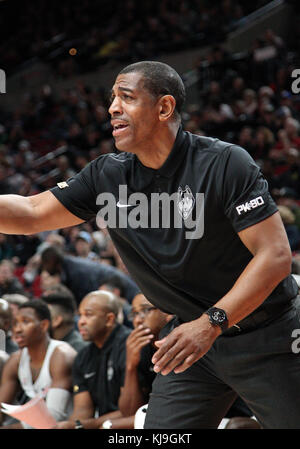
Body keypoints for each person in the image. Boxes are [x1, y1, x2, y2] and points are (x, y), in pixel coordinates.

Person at [0, 61, 299, 429]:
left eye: (126, 97)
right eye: (112, 98)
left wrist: (211, 323)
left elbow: (275, 256)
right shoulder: (107, 175)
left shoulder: (224, 163)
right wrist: (201, 327)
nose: (112, 107)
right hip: (190, 344)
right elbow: (30, 212)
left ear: (163, 108)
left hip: (268, 335)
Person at [54, 290, 131, 429]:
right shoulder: (83, 357)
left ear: (109, 319)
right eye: (80, 315)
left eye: (88, 315)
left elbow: (133, 409)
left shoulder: (130, 346)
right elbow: (83, 410)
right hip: (101, 423)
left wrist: (82, 425)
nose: (81, 322)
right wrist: (69, 425)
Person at [0, 300, 76, 428]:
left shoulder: (61, 355)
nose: (17, 329)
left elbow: (53, 416)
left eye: (25, 322)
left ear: (44, 325)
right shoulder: (15, 360)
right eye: (15, 323)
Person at [40, 245, 139, 306]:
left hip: (118, 284)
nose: (44, 268)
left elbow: (83, 299)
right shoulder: (68, 267)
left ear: (52, 261)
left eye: (45, 263)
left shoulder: (76, 271)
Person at [41, 284, 88, 352]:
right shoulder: (43, 345)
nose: (40, 321)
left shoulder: (79, 349)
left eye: (43, 315)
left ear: (56, 320)